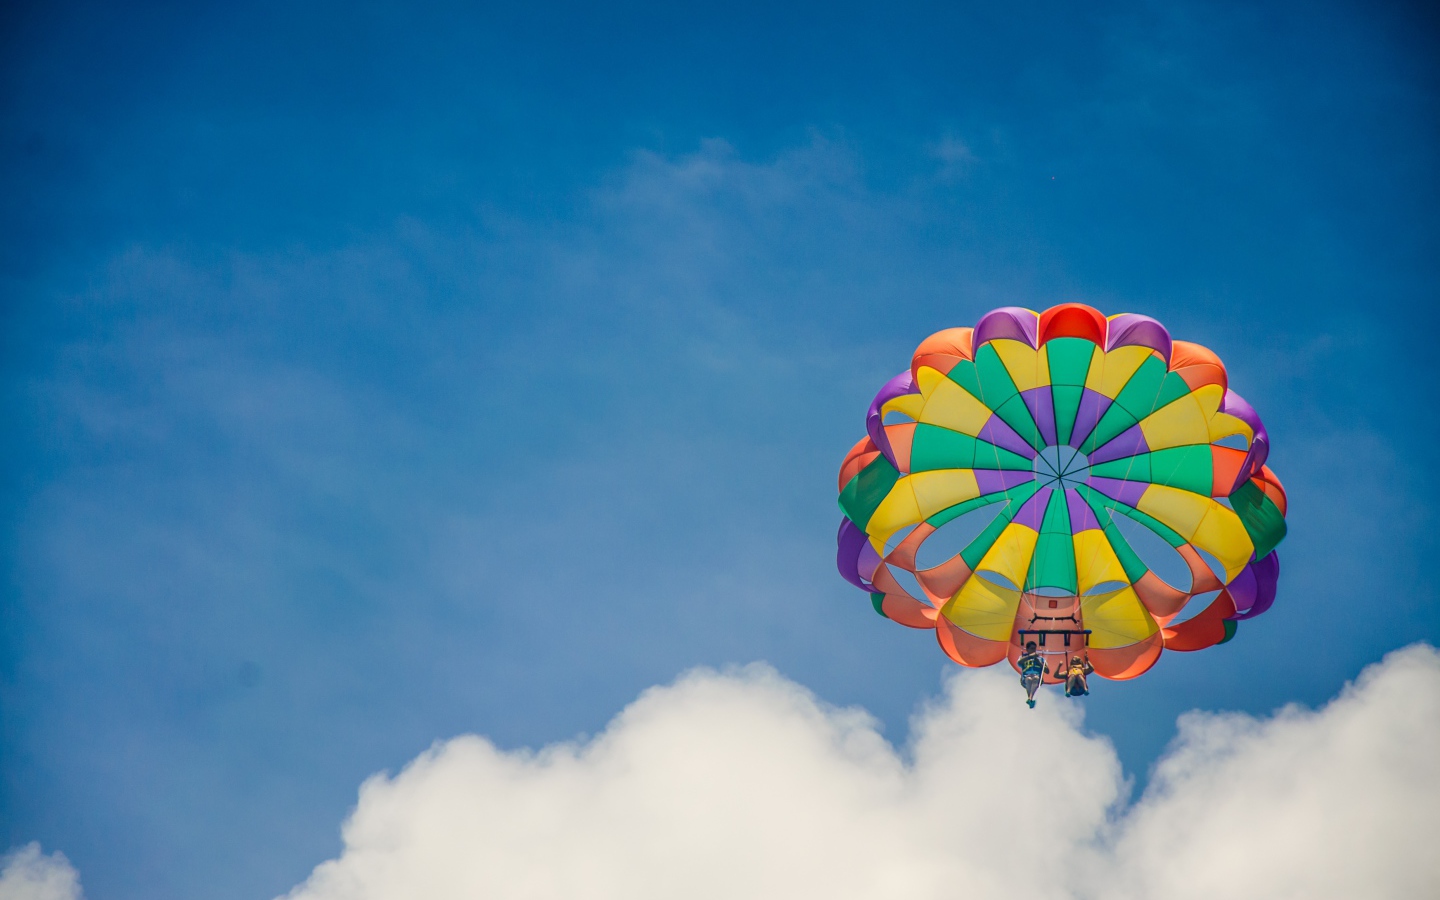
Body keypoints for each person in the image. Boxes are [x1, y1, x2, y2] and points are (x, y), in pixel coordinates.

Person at [1017, 641, 1048, 708]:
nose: (1033, 650)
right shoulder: (1023, 657)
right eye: (1031, 648)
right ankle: (1030, 698)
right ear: (1027, 649)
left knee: (1035, 678)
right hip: (1026, 676)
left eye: (1034, 648)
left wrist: (1038, 662)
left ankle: (1030, 698)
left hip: (1037, 676)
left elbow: (1047, 671)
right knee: (1028, 679)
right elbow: (1019, 663)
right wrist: (1030, 657)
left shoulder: (1040, 659)